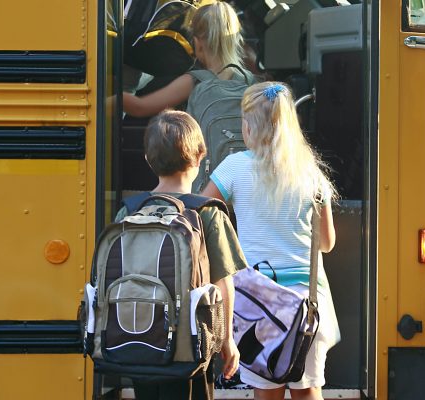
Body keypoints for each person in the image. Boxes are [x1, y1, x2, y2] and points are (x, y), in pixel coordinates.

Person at [202, 81, 340, 400]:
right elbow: (327, 243)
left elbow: (203, 215)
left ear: (248, 127)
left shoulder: (234, 169)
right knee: (307, 390)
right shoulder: (311, 174)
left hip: (258, 305)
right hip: (307, 304)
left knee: (267, 393)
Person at [115, 109, 248, 400]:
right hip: (192, 344)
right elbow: (223, 283)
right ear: (201, 156)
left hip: (139, 337)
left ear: (148, 159)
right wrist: (226, 341)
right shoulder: (207, 212)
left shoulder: (130, 210)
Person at [122, 1, 245, 117]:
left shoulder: (195, 81)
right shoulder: (247, 79)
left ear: (197, 43)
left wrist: (112, 100)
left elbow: (140, 107)